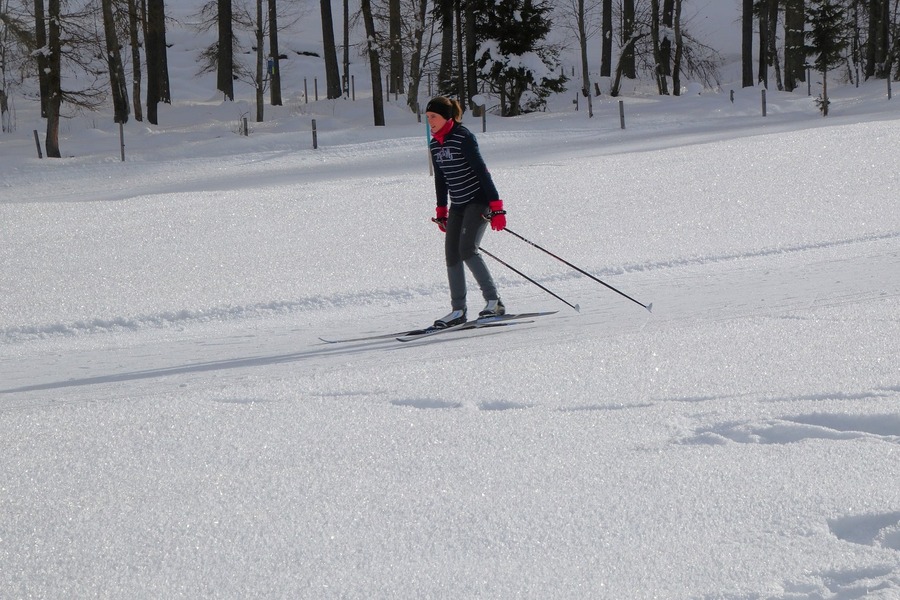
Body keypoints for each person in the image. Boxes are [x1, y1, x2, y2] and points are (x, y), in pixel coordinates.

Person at [425, 96, 507, 328]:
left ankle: (494, 301)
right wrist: (442, 210)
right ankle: (458, 310)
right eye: (428, 117)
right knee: (452, 254)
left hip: (479, 200)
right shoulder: (434, 144)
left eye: (434, 117)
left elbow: (482, 172)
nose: (430, 121)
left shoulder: (463, 137)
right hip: (458, 204)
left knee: (467, 250)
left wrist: (497, 207)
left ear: (447, 117)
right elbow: (441, 180)